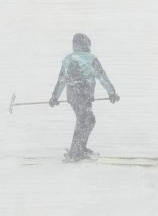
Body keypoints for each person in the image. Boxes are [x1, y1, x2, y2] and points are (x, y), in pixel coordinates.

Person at [49, 33, 120, 162]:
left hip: (73, 95)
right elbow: (102, 76)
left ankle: (80, 148)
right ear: (86, 44)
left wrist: (55, 97)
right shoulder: (91, 58)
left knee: (88, 120)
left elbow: (61, 80)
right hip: (84, 94)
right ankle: (75, 152)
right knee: (84, 120)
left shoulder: (67, 59)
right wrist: (111, 92)